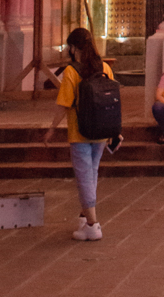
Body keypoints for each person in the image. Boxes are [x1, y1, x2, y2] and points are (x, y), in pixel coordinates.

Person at [45, 26, 113, 241]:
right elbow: (113, 99)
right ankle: (85, 218)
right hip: (102, 130)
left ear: (73, 48)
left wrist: (51, 129)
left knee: (84, 176)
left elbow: (64, 104)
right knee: (91, 173)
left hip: (80, 132)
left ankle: (93, 225)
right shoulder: (105, 68)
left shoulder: (72, 72)